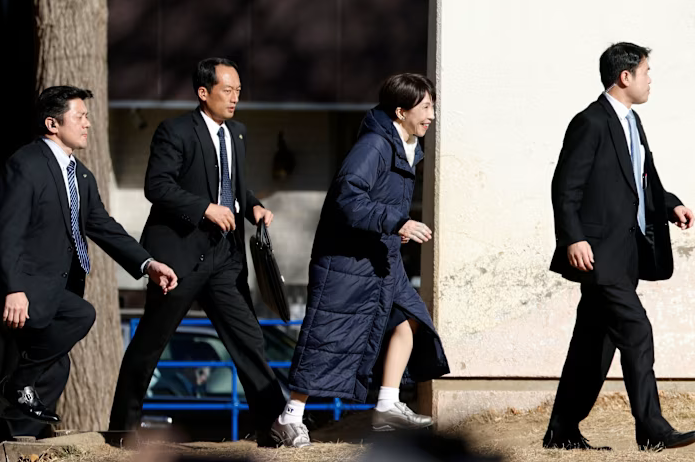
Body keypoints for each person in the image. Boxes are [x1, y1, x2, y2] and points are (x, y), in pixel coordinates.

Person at [109, 58, 285, 445]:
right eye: (228, 90)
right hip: (179, 257)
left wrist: (253, 206)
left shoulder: (237, 133)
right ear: (204, 92)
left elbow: (232, 186)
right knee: (150, 345)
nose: (235, 98)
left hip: (226, 260)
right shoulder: (174, 131)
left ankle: (273, 427)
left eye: (239, 91)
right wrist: (205, 209)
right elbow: (157, 186)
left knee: (249, 341)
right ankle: (123, 431)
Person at [270, 73, 450, 448]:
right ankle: (289, 417)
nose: (431, 115)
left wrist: (394, 229)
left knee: (410, 318)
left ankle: (387, 405)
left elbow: (378, 204)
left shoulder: (407, 145)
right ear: (400, 111)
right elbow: (347, 198)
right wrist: (396, 222)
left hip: (380, 257)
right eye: (425, 107)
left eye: (432, 106)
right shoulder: (374, 145)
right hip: (346, 261)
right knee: (327, 336)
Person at [0, 86, 178, 436]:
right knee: (80, 316)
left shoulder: (80, 175)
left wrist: (147, 264)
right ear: (53, 123)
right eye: (79, 116)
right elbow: (8, 231)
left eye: (87, 116)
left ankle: (22, 441)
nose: (87, 124)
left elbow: (104, 227)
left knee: (56, 371)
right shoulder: (26, 165)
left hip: (57, 290)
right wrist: (13, 288)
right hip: (26, 292)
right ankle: (17, 398)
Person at [546, 42, 695, 451]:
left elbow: (640, 180)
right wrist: (573, 237)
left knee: (593, 346)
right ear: (625, 77)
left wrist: (671, 204)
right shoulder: (590, 122)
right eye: (646, 72)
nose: (650, 80)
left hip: (626, 255)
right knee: (636, 330)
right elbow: (565, 187)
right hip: (597, 254)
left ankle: (562, 431)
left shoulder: (632, 122)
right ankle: (653, 429)